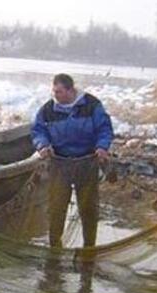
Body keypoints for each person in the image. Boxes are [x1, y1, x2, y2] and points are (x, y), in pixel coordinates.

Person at [31, 73, 114, 248]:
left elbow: (104, 128)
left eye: (59, 92)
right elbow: (38, 130)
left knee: (88, 209)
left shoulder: (91, 105)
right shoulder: (48, 109)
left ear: (70, 90)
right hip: (59, 163)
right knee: (56, 208)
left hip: (87, 161)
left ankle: (89, 247)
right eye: (54, 91)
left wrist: (102, 146)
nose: (55, 95)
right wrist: (43, 145)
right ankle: (55, 246)